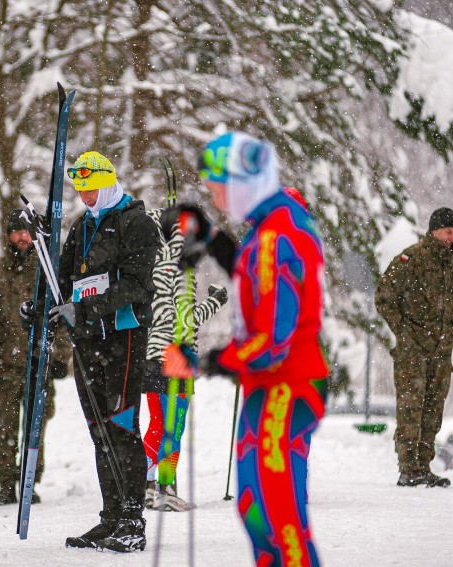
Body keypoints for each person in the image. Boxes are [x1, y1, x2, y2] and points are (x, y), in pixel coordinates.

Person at [164, 132, 329, 567]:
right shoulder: (271, 224)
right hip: (265, 384)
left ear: (242, 182)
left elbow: (274, 339)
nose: (217, 196)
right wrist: (214, 240)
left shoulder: (279, 235)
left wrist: (206, 360)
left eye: (220, 186)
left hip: (286, 385)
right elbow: (256, 278)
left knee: (278, 517)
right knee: (253, 508)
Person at [45, 151, 157, 552]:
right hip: (88, 339)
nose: (86, 196)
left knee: (121, 426)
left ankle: (132, 520)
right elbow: (63, 280)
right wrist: (42, 307)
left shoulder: (136, 223)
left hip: (123, 336)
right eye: (80, 189)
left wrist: (86, 308)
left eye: (91, 188)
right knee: (98, 429)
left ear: (108, 182)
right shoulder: (81, 228)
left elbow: (136, 286)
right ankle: (110, 517)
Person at [0, 211, 69, 505]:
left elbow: (60, 316)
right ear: (8, 235)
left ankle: (29, 481)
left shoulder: (47, 272)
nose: (22, 238)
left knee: (35, 427)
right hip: (4, 365)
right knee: (5, 427)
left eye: (26, 232)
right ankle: (6, 485)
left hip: (39, 362)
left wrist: (62, 356)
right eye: (16, 232)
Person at [142, 207, 228, 511]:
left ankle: (147, 485)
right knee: (173, 427)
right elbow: (184, 318)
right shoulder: (177, 268)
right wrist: (215, 301)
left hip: (151, 357)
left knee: (157, 424)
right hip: (175, 360)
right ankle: (163, 488)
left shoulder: (149, 263)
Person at [375, 207, 453, 488]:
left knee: (433, 409)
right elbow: (384, 297)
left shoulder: (452, 265)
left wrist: (452, 335)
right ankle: (408, 467)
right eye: (448, 232)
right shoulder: (411, 259)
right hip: (413, 354)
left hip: (441, 352)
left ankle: (423, 466)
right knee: (411, 408)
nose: (452, 238)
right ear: (435, 230)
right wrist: (405, 334)